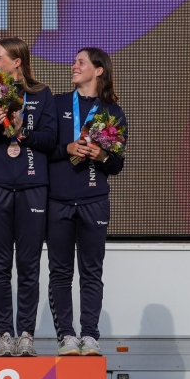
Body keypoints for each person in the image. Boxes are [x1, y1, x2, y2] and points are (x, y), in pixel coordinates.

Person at [0, 37, 57, 357]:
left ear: (16, 62)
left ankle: (26, 335)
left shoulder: (40, 95)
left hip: (32, 187)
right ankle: (4, 334)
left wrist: (23, 133)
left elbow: (50, 140)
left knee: (29, 265)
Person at [47, 48, 127, 357]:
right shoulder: (58, 104)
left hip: (94, 200)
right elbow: (44, 149)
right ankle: (67, 335)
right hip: (58, 200)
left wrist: (102, 155)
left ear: (99, 70)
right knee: (60, 271)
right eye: (74, 61)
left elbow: (117, 165)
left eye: (81, 62)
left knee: (91, 271)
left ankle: (90, 336)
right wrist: (67, 147)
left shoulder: (112, 112)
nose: (73, 65)